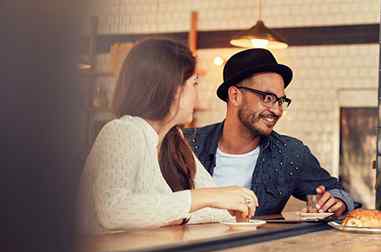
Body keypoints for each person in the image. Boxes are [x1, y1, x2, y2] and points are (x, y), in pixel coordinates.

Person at [79, 39, 258, 231]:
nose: (197, 94)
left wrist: (211, 202)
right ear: (173, 89)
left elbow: (219, 210)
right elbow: (113, 210)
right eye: (194, 83)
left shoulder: (175, 140)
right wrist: (203, 199)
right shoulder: (122, 131)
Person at [184, 48, 354, 217]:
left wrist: (336, 202)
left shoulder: (290, 153)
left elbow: (337, 192)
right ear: (235, 96)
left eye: (281, 101)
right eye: (268, 98)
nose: (277, 110)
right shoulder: (185, 145)